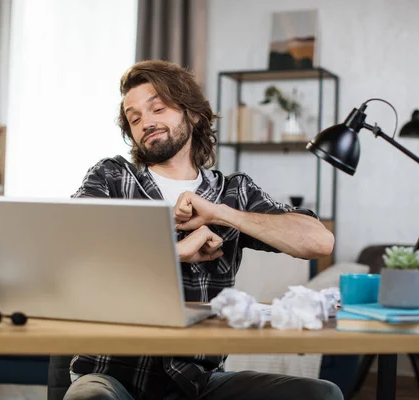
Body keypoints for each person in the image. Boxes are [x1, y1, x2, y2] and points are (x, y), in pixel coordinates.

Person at [66, 60, 341, 400]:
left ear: (193, 114)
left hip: (197, 383)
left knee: (321, 395)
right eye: (135, 118)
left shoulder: (234, 192)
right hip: (110, 375)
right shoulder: (113, 177)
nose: (147, 122)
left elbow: (319, 241)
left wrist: (222, 214)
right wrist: (174, 251)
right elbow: (70, 247)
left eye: (158, 108)